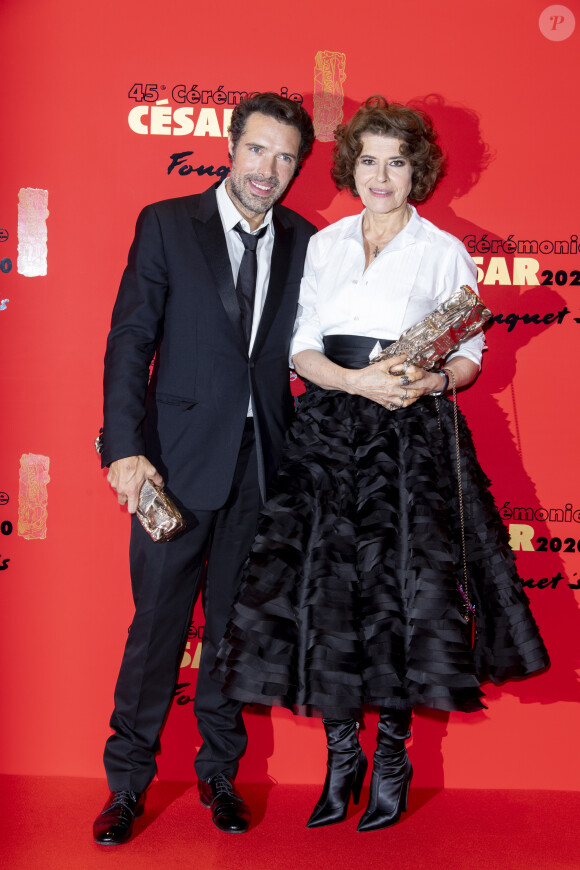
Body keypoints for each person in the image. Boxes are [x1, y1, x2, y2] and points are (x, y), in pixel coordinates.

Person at [215, 96, 549, 832]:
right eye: (368, 160)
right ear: (350, 167)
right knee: (329, 596)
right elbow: (299, 347)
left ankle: (390, 760)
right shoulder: (324, 245)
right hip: (330, 431)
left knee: (405, 596)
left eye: (397, 162)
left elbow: (468, 352)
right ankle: (343, 762)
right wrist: (352, 381)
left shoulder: (442, 252)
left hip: (412, 440)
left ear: (417, 171)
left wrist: (433, 381)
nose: (381, 175)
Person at [92, 92, 316, 844]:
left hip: (261, 471)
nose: (269, 169)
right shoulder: (166, 224)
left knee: (231, 635)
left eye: (286, 157)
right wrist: (124, 448)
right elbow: (131, 340)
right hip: (173, 467)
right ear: (231, 144)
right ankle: (128, 784)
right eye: (259, 149)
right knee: (156, 630)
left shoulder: (305, 240)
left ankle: (222, 774)